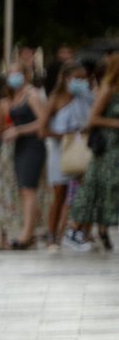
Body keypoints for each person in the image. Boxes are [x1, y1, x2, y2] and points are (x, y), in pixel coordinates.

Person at [42, 62, 93, 251]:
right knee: (59, 194)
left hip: (82, 151)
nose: (81, 82)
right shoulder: (56, 99)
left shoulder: (87, 98)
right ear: (66, 79)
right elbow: (42, 129)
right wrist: (65, 135)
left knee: (84, 194)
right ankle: (51, 236)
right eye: (76, 78)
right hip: (60, 152)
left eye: (83, 78)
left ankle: (77, 233)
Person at [70, 53, 119, 248]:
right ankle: (76, 228)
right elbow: (93, 119)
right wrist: (115, 123)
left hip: (116, 148)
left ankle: (101, 229)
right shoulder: (108, 89)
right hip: (107, 149)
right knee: (98, 186)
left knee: (107, 189)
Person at [2, 62, 47, 249]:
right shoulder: (14, 96)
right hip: (19, 147)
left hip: (32, 146)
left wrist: (20, 130)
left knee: (29, 190)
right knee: (23, 190)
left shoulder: (32, 95)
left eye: (17, 73)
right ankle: (30, 231)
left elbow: (43, 121)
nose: (13, 77)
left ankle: (27, 235)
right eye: (10, 73)